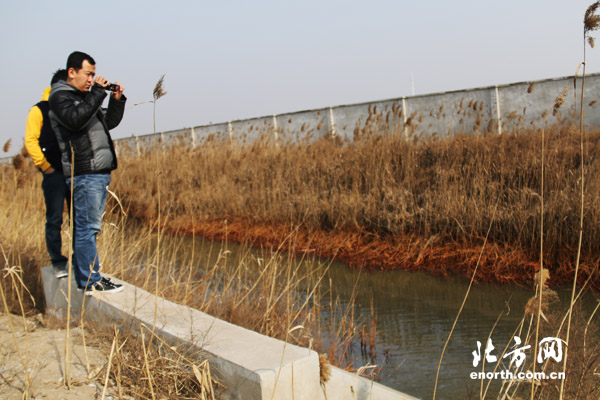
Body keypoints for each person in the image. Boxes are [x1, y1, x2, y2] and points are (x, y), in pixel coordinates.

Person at [49, 51, 126, 295]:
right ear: (72, 72)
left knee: (89, 227)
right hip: (84, 172)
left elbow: (107, 122)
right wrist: (96, 94)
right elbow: (75, 120)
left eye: (94, 75)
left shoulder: (83, 99)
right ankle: (90, 281)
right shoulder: (61, 98)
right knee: (86, 228)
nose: (92, 79)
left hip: (96, 172)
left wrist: (115, 99)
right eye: (88, 74)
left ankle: (89, 277)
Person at [24, 69, 70, 279]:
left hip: (73, 171)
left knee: (79, 218)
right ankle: (58, 262)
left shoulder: (68, 107)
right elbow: (30, 140)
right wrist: (46, 167)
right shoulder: (39, 109)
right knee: (54, 219)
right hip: (53, 173)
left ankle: (80, 261)